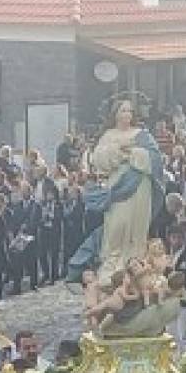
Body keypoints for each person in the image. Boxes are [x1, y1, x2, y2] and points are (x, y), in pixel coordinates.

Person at [72, 98, 163, 280]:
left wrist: (132, 153)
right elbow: (98, 159)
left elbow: (154, 159)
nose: (126, 114)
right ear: (115, 114)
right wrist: (117, 151)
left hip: (138, 185)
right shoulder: (108, 135)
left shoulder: (142, 135)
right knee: (117, 224)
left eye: (129, 111)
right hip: (118, 185)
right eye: (123, 110)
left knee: (136, 225)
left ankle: (135, 261)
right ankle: (113, 264)